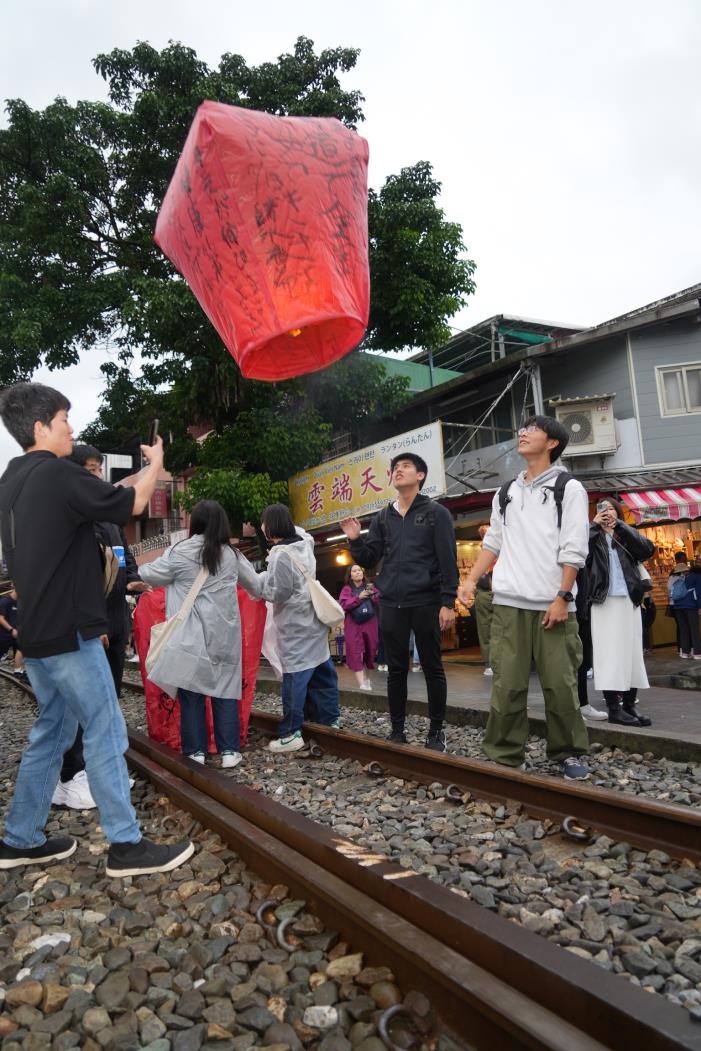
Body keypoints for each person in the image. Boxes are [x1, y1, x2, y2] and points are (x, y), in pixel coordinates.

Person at [0, 382, 193, 875]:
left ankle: (20, 838)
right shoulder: (57, 475)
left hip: (38, 635)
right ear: (42, 427)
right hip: (69, 633)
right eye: (65, 419)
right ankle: (127, 845)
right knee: (105, 731)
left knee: (51, 732)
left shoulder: (11, 481)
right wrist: (155, 463)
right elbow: (131, 504)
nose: (71, 427)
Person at [458, 415, 590, 780]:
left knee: (561, 684)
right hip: (509, 602)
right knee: (507, 684)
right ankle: (504, 753)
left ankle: (570, 751)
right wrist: (469, 581)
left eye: (532, 429)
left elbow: (575, 548)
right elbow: (492, 543)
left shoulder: (569, 487)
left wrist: (563, 597)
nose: (523, 432)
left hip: (554, 603)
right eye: (522, 428)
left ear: (552, 443)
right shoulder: (506, 491)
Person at [340, 453, 458, 752]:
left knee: (432, 666)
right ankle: (397, 730)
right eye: (395, 468)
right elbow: (369, 558)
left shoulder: (436, 513)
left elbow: (447, 560)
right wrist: (355, 539)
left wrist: (448, 601)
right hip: (391, 602)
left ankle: (435, 731)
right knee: (395, 669)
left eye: (406, 466)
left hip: (426, 600)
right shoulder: (383, 517)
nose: (398, 470)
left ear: (420, 475)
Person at [53, 444, 148, 810]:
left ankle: (100, 769)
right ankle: (71, 773)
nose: (97, 477)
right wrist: (89, 624)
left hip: (113, 621)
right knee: (79, 705)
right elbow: (71, 579)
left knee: (107, 702)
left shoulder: (109, 521)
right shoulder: (71, 519)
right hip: (86, 625)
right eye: (90, 470)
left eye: (98, 470)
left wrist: (134, 581)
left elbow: (126, 561)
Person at [138, 500, 263, 766]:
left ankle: (196, 751)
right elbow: (256, 585)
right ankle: (229, 751)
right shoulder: (232, 555)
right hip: (224, 637)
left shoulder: (179, 551)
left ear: (195, 522)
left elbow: (151, 574)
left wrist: (136, 573)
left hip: (189, 637)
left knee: (191, 692)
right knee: (225, 690)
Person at [258, 504, 340, 752]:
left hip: (295, 627)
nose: (261, 527)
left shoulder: (282, 555)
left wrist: (260, 584)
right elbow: (299, 529)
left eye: (264, 523)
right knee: (323, 671)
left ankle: (291, 733)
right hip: (314, 620)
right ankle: (330, 720)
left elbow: (279, 593)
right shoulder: (305, 541)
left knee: (295, 678)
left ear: (271, 526)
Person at [587, 497, 655, 726]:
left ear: (617, 512)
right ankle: (614, 709)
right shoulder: (592, 535)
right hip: (603, 600)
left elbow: (647, 550)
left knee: (632, 652)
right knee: (609, 655)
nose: (606, 512)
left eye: (610, 509)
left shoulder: (624, 534)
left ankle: (629, 705)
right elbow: (577, 554)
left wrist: (622, 527)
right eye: (601, 509)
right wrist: (594, 526)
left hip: (629, 599)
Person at [339, 564, 380, 690]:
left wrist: (373, 595)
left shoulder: (370, 587)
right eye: (354, 571)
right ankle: (362, 684)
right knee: (356, 652)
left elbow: (379, 601)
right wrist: (358, 597)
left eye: (359, 570)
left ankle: (367, 681)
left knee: (370, 651)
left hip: (370, 623)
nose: (358, 572)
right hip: (353, 624)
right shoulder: (346, 589)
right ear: (350, 575)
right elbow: (343, 605)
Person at [574, 569, 607, 720]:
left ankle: (582, 704)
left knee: (585, 659)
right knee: (572, 660)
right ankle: (574, 706)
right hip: (570, 602)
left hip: (584, 605)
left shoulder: (588, 547)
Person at [668, 554, 701, 659]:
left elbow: (670, 592)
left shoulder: (675, 579)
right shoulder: (696, 577)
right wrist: (699, 607)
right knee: (694, 629)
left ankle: (685, 652)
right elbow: (699, 593)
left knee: (683, 629)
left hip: (677, 607)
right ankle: (697, 653)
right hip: (690, 606)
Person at [474, 524, 494, 677]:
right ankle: (489, 663)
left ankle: (494, 663)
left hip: (495, 591)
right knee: (486, 628)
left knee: (494, 629)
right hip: (486, 591)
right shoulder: (487, 550)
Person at [0, 588, 24, 678]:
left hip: (17, 635)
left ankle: (18, 671)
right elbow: (0, 618)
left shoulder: (21, 602)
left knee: (21, 649)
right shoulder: (5, 601)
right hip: (4, 635)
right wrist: (11, 629)